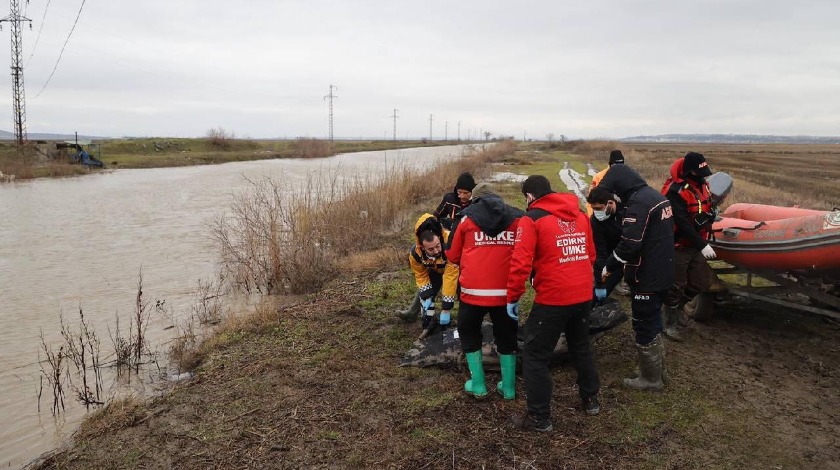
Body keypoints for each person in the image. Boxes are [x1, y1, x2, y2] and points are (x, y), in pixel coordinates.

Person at [507, 175, 601, 432]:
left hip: (553, 298)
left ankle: (539, 417)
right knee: (580, 346)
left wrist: (513, 297)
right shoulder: (581, 215)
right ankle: (591, 400)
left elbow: (520, 263)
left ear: (529, 196)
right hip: (583, 294)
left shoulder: (532, 219)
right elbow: (591, 255)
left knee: (535, 355)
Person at [596, 164, 675, 391]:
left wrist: (609, 266)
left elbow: (630, 245)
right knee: (654, 321)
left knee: (644, 323)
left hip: (647, 276)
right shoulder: (656, 197)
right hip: (663, 271)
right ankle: (659, 371)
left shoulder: (639, 204)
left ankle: (651, 379)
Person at [446, 183, 524, 400]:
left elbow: (452, 256)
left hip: (472, 293)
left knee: (469, 333)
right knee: (507, 337)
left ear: (476, 199)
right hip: (506, 295)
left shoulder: (466, 219)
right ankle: (508, 388)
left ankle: (478, 384)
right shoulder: (517, 219)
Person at [660, 152, 716, 341]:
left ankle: (678, 310)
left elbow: (706, 207)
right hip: (679, 245)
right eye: (700, 173)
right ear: (689, 171)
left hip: (696, 244)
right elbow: (682, 223)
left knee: (702, 282)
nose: (704, 176)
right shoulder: (675, 191)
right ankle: (669, 323)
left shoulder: (703, 186)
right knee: (676, 285)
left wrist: (710, 219)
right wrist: (702, 245)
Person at [396, 213, 459, 329]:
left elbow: (450, 276)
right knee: (425, 291)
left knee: (462, 291)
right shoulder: (415, 253)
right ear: (423, 247)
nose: (436, 251)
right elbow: (420, 275)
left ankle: (464, 319)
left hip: (457, 270)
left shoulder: (451, 242)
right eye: (431, 249)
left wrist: (446, 308)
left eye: (438, 246)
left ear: (439, 239)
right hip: (436, 269)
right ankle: (413, 314)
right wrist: (427, 295)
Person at [587, 185, 625, 303]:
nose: (597, 212)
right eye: (594, 209)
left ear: (610, 203)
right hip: (612, 256)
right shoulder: (595, 222)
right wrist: (600, 284)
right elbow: (600, 253)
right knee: (603, 288)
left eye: (599, 208)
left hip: (632, 250)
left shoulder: (625, 211)